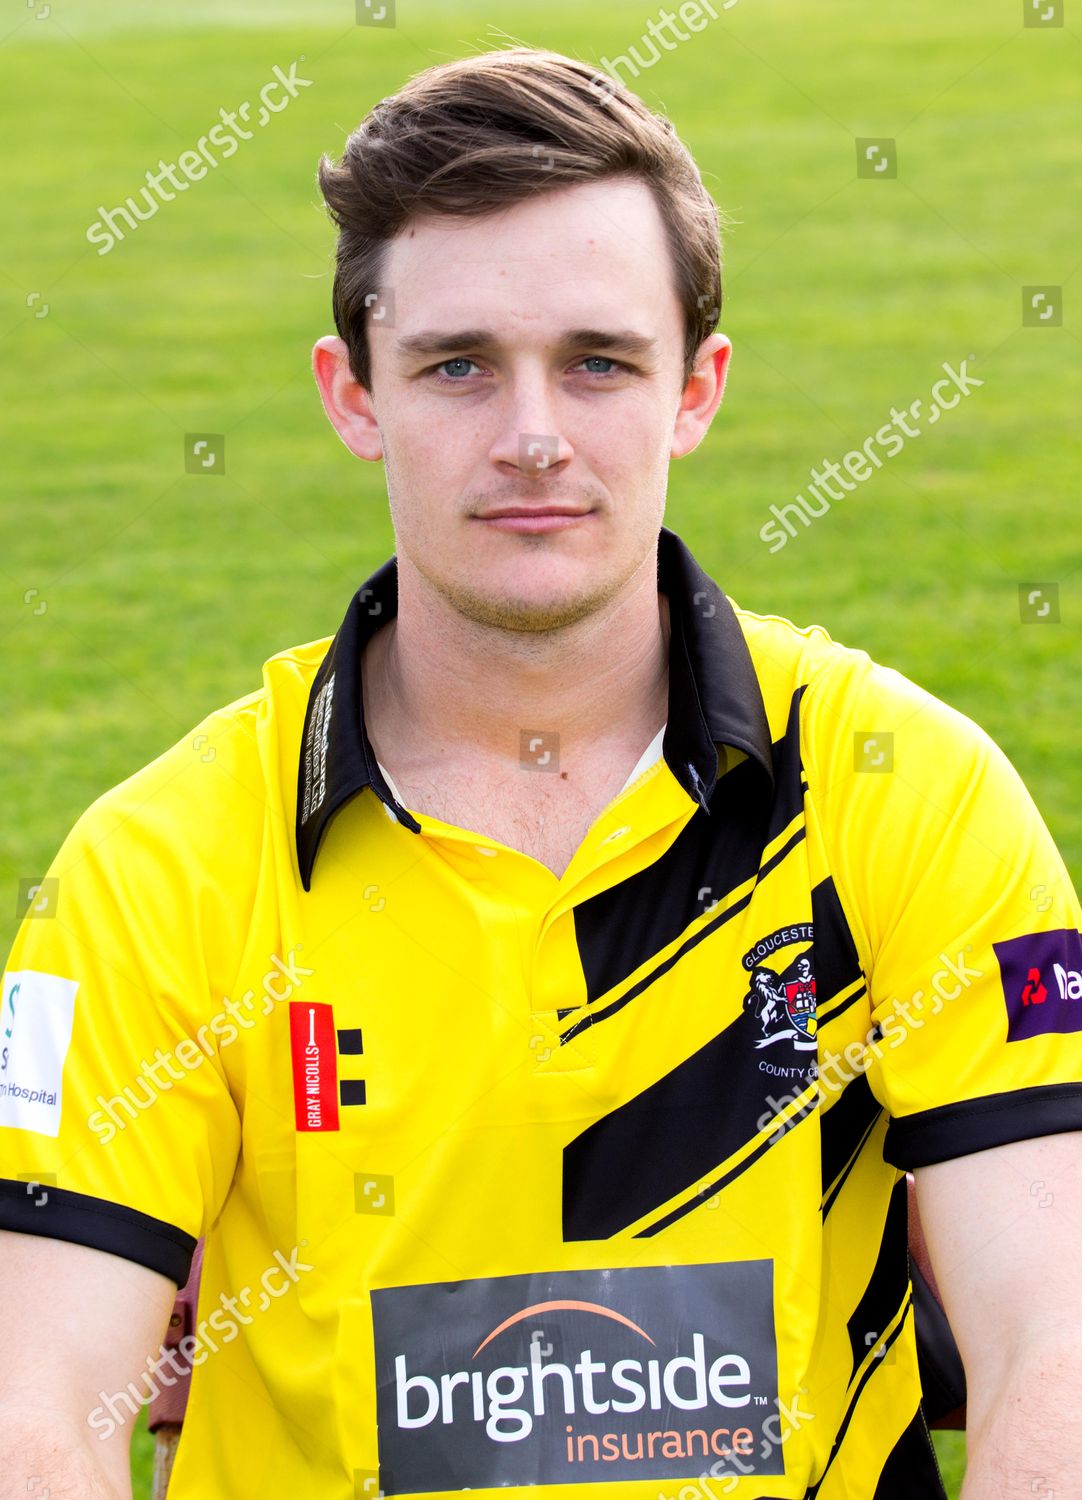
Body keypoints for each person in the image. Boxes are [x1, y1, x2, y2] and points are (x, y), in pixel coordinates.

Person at [1, 46, 1080, 1500]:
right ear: (353, 394)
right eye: (456, 365)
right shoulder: (163, 860)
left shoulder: (905, 789)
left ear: (694, 390)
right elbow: (32, 1410)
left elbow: (1052, 1346)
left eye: (597, 362)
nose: (531, 436)